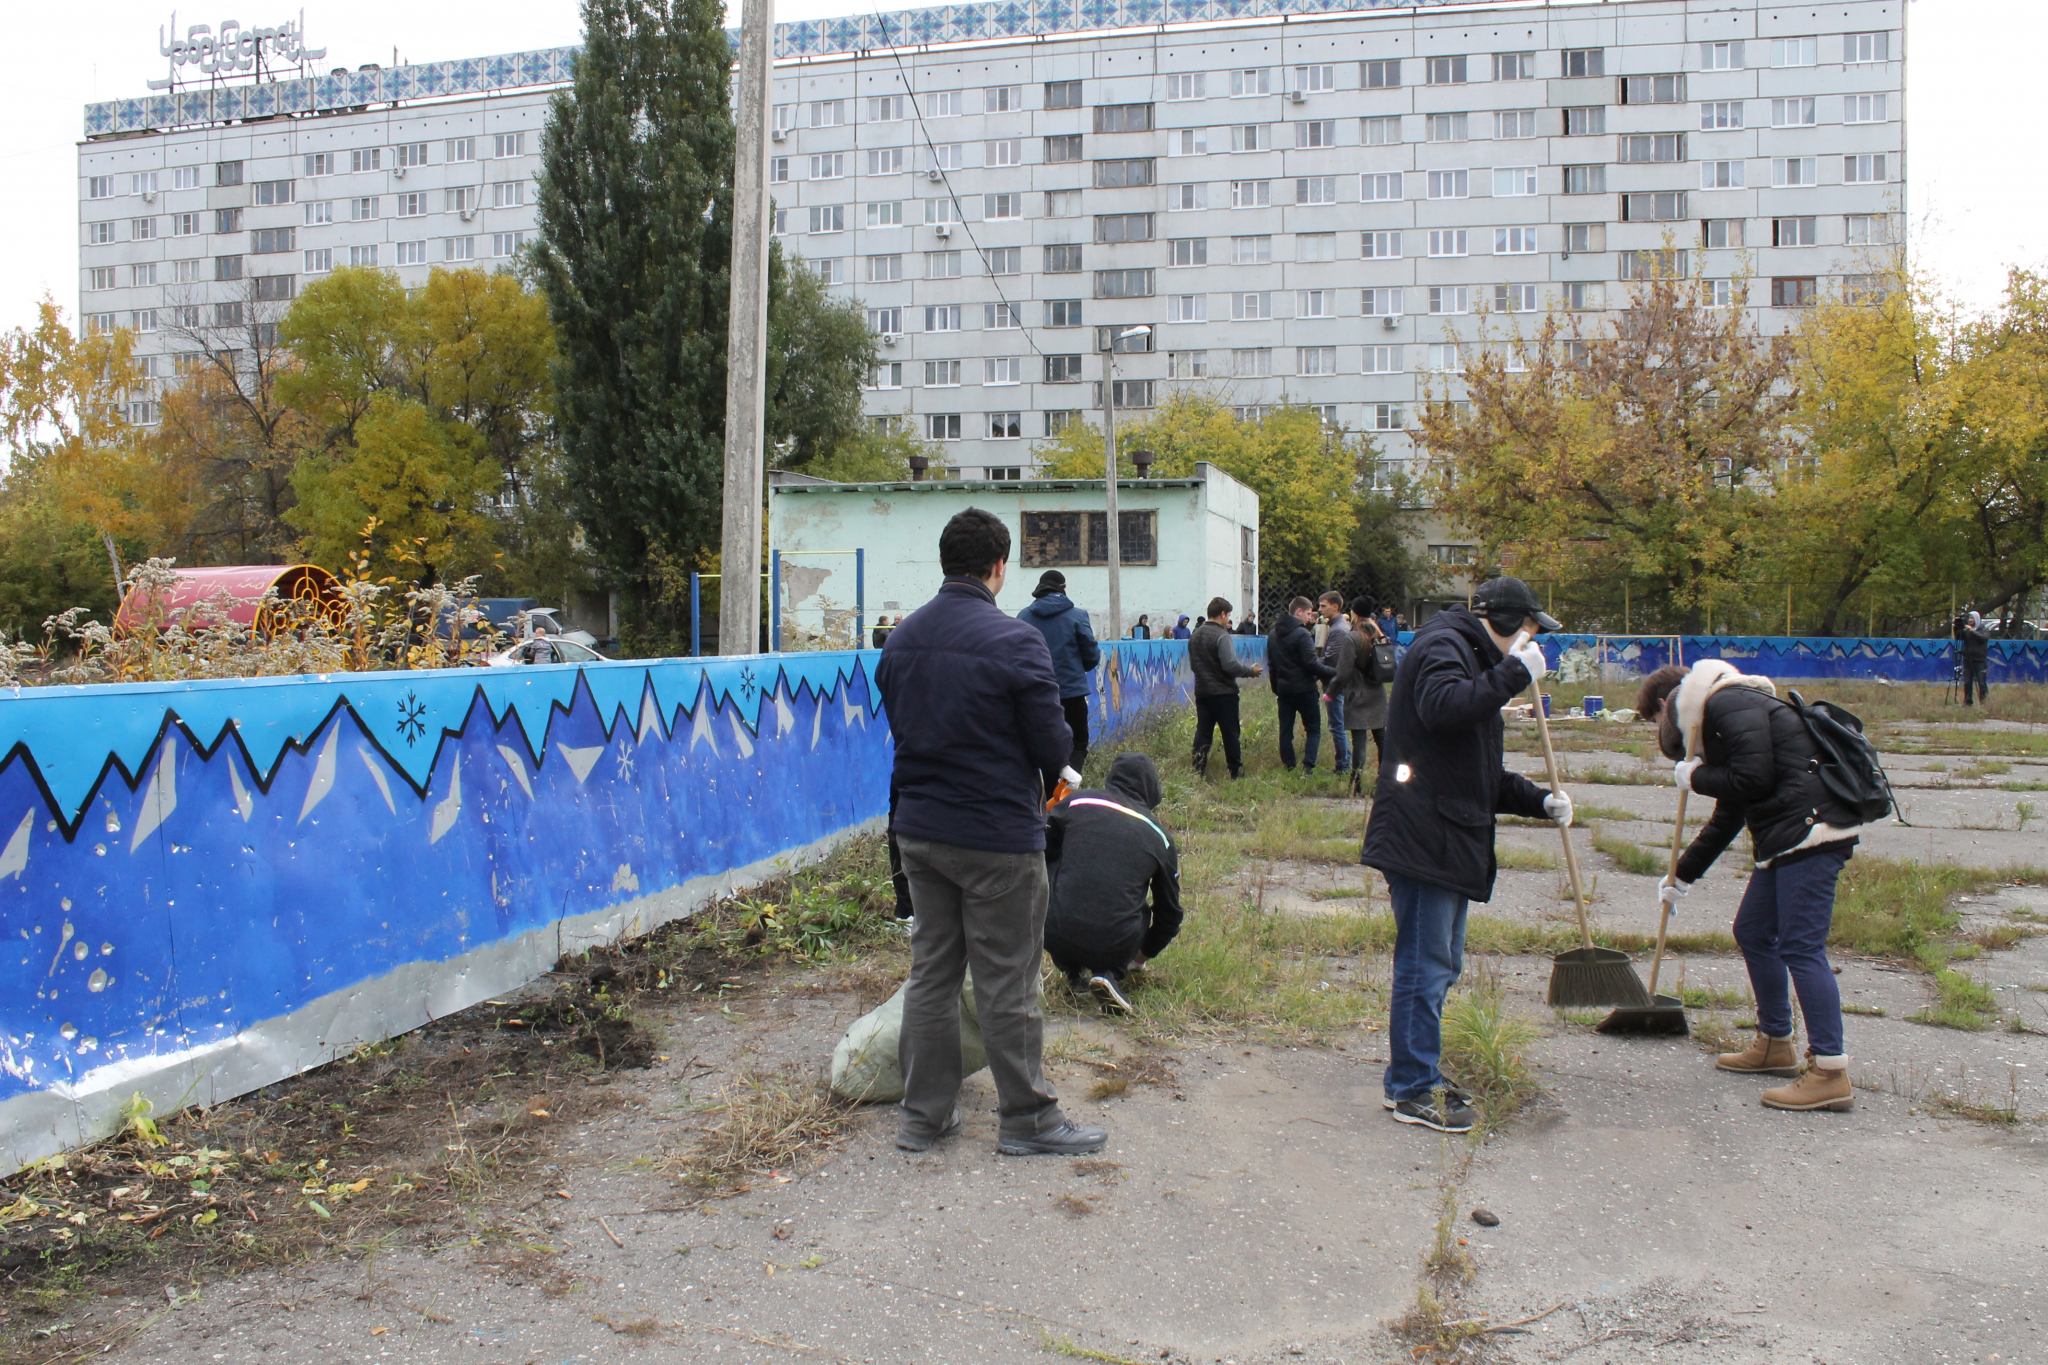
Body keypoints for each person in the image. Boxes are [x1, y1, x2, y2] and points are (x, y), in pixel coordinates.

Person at [875, 509, 1108, 1157]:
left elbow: (902, 730)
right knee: (1008, 978)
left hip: (919, 831)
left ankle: (924, 1116)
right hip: (997, 838)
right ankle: (1028, 1119)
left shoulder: (901, 641)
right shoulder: (1016, 643)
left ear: (945, 560)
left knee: (933, 975)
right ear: (999, 566)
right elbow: (1052, 743)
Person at [1361, 577, 1569, 1133]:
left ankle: (1419, 1072)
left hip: (1447, 830)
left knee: (1440, 964)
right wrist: (1513, 675)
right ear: (1502, 622)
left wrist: (1540, 800)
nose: (1530, 641)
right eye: (1527, 629)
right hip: (1425, 834)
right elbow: (1442, 708)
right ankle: (1410, 1088)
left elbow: (1478, 768)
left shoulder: (1469, 655)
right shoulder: (1443, 647)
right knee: (1424, 967)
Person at [1635, 660, 1866, 1112]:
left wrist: (1696, 776)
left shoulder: (1728, 704)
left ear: (1667, 706)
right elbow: (1732, 810)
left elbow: (1751, 779)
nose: (1661, 734)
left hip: (1813, 830)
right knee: (1754, 931)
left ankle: (1830, 1071)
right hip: (1790, 833)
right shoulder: (1724, 709)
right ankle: (1775, 1042)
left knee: (1801, 947)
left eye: (1655, 723)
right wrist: (1681, 876)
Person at [1044, 753, 1183, 1015]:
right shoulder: (1160, 836)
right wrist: (1138, 960)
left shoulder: (1075, 801)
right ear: (1152, 789)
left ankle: (1072, 973)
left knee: (1057, 866)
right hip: (1115, 942)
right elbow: (1170, 915)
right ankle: (1110, 973)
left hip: (1052, 930)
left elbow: (1040, 853)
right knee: (1137, 905)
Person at [1018, 570, 1101, 799]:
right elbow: (1091, 656)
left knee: (1044, 747)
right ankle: (1065, 795)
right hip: (1071, 693)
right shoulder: (1077, 616)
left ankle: (1050, 801)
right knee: (1078, 744)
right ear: (1063, 589)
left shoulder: (1024, 617)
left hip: (1035, 695)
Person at [1189, 596, 1264, 778]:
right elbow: (1230, 665)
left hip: (1202, 691)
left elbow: (1194, 665)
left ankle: (1197, 770)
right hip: (1223, 692)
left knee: (1203, 732)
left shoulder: (1195, 635)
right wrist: (1249, 671)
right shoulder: (1222, 636)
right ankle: (1235, 771)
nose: (1228, 619)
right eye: (1228, 615)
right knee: (1230, 733)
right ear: (1222, 614)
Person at [1268, 597, 1337, 773]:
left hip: (1284, 690)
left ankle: (1289, 766)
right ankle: (1308, 766)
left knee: (1285, 730)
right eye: (1308, 613)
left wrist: (1276, 687)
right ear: (1298, 611)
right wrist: (1334, 672)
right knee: (1313, 728)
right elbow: (1311, 664)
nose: (1310, 617)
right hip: (1305, 689)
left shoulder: (1273, 635)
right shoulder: (1302, 634)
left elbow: (1272, 665)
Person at [1330, 596, 1390, 793]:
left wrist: (1331, 693)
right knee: (1381, 738)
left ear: (1354, 612)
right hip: (1378, 692)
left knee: (1359, 741)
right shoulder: (1380, 635)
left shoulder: (1353, 637)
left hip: (1358, 693)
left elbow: (1343, 672)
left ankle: (1356, 784)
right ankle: (1385, 781)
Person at [1316, 591, 1353, 777]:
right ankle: (1345, 761)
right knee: (1338, 724)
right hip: (1335, 683)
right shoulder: (1337, 627)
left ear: (1335, 607)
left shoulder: (1338, 630)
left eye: (1323, 606)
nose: (1320, 609)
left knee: (1337, 725)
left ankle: (1342, 765)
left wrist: (1312, 667)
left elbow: (1332, 660)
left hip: (1334, 684)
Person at [1955, 610, 1990, 706]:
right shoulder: (1967, 630)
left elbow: (1983, 639)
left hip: (1979, 660)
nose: (1970, 620)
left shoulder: (1983, 629)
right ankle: (1968, 702)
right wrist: (1957, 627)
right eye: (1969, 618)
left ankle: (1983, 702)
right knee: (1967, 682)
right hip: (1967, 659)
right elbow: (1958, 638)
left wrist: (1972, 631)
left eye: (1972, 618)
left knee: (1981, 682)